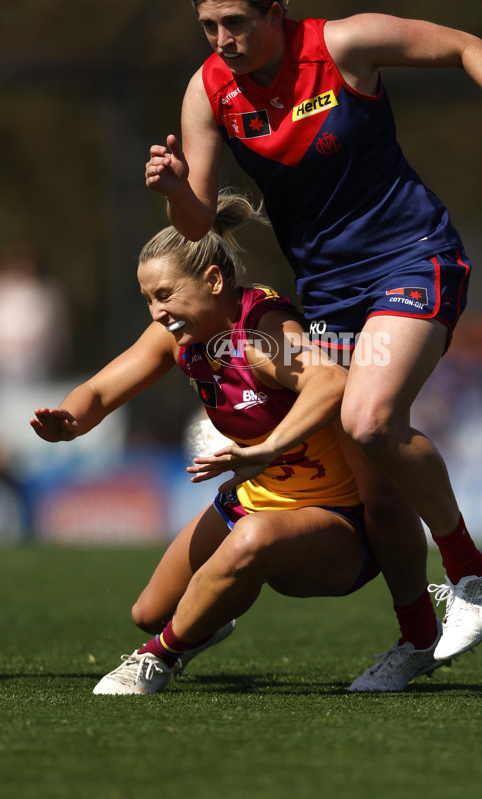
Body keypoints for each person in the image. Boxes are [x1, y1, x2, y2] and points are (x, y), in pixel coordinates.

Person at [144, 0, 482, 682]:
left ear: (274, 9)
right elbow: (199, 222)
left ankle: (471, 570)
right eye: (208, 26)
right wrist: (173, 188)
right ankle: (418, 639)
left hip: (411, 260)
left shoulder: (343, 44)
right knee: (378, 491)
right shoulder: (209, 91)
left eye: (235, 22)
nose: (222, 42)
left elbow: (464, 46)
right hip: (329, 291)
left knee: (367, 419)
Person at [30, 192, 446, 695]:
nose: (157, 312)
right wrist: (70, 419)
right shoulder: (178, 333)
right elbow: (98, 391)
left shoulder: (261, 333)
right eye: (148, 299)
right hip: (250, 501)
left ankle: (156, 659)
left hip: (336, 523)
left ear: (212, 281)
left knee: (247, 547)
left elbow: (331, 383)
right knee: (149, 611)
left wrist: (268, 448)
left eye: (165, 294)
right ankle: (202, 618)